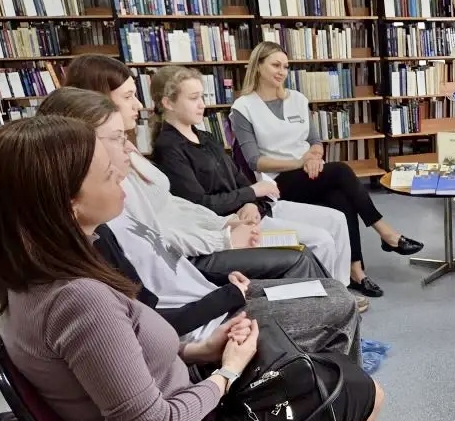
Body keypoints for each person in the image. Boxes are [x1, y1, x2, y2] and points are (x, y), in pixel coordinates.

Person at [0, 116, 385, 421]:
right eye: (107, 172)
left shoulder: (29, 283)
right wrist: (225, 374)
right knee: (364, 396)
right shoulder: (78, 299)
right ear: (68, 204)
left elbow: (114, 368)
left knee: (308, 370)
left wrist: (199, 353)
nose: (122, 172)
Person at [38, 87, 369, 340]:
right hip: (206, 301)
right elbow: (154, 313)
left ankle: (328, 356)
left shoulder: (203, 140)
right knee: (327, 287)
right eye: (117, 138)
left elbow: (176, 219)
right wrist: (226, 240)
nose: (129, 148)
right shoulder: (108, 223)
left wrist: (241, 210)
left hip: (210, 272)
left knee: (335, 215)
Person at [62, 56, 323, 284]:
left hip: (218, 227)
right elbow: (158, 233)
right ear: (98, 100)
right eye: (129, 96)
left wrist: (230, 219)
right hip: (195, 252)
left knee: (317, 237)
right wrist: (225, 235)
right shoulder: (131, 166)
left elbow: (178, 206)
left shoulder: (194, 139)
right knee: (303, 254)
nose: (138, 104)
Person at [231, 41, 423, 298]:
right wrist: (300, 162)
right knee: (341, 171)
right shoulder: (243, 107)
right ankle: (385, 232)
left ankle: (356, 271)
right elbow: (254, 161)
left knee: (340, 197)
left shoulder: (297, 99)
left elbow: (315, 141)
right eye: (276, 65)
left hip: (309, 173)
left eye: (286, 67)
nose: (282, 72)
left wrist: (315, 156)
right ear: (258, 66)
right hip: (275, 182)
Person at [149, 65, 352, 287]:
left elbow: (237, 176)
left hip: (255, 209)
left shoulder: (205, 137)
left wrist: (251, 202)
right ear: (168, 103)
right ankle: (330, 295)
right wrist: (251, 193)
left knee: (336, 220)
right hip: (233, 223)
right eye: (193, 98)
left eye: (202, 97)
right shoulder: (168, 148)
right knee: (321, 241)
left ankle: (342, 288)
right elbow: (199, 205)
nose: (202, 104)